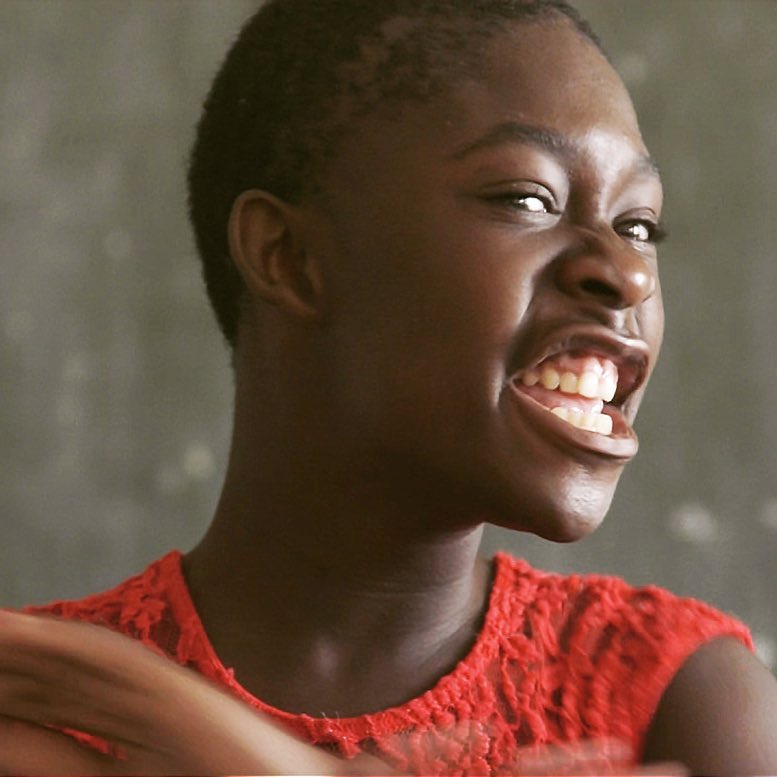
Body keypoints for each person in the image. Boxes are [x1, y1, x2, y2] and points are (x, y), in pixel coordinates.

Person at [2, 0, 777, 774]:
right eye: (526, 199)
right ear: (287, 257)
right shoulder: (38, 712)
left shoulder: (680, 702)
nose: (628, 272)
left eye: (638, 225)